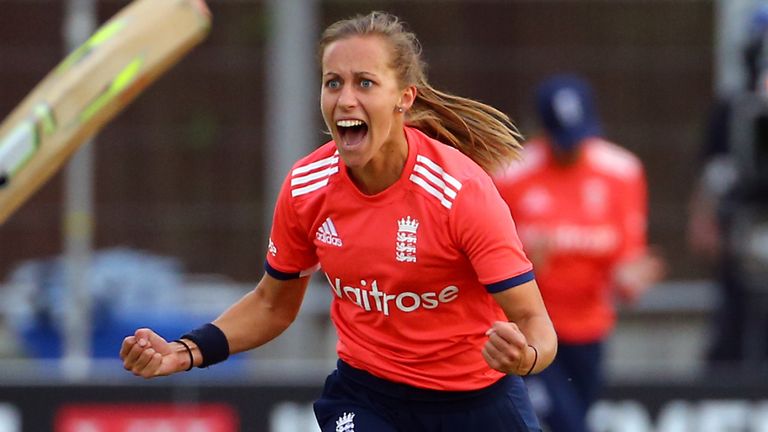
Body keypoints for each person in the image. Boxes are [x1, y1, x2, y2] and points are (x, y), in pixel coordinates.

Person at [120, 11, 557, 432]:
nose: (346, 99)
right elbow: (272, 305)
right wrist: (185, 351)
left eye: (365, 82)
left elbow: (534, 322)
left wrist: (526, 357)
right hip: (369, 396)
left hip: (475, 400)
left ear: (404, 97)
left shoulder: (460, 192)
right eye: (333, 83)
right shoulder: (307, 187)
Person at [493, 74, 664, 432]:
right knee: (566, 424)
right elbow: (492, 257)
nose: (571, 150)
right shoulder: (511, 175)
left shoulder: (622, 172)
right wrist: (526, 265)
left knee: (576, 418)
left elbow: (626, 259)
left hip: (591, 329)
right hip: (533, 328)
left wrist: (632, 278)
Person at [687, 3, 768, 367]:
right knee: (736, 312)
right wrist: (703, 219)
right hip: (742, 225)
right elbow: (713, 166)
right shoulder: (734, 107)